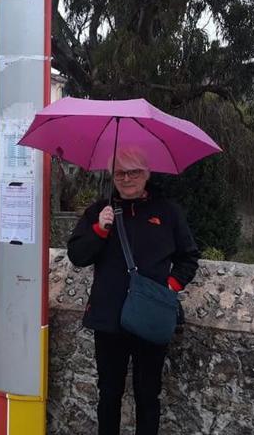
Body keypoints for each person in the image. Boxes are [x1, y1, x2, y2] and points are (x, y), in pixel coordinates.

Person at [67, 147, 200, 435]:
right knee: (109, 394)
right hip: (109, 319)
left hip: (151, 317)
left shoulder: (168, 212)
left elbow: (189, 258)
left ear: (147, 173)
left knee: (148, 394)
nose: (127, 179)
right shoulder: (98, 212)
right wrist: (100, 229)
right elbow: (77, 256)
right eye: (120, 173)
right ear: (112, 176)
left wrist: (169, 287)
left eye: (134, 172)